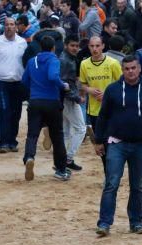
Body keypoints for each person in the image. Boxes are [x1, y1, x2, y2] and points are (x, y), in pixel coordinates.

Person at [94, 55, 142, 236]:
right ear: (122, 70)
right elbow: (102, 116)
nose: (130, 72)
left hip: (139, 145)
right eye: (127, 69)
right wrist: (98, 140)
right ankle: (104, 223)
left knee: (137, 186)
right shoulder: (112, 90)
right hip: (116, 144)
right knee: (111, 183)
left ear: (139, 68)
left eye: (133, 68)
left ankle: (136, 222)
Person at [21, 35, 72, 181]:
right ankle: (61, 170)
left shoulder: (32, 61)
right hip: (51, 101)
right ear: (53, 48)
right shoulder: (53, 60)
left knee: (32, 134)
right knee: (57, 136)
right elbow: (52, 76)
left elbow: (24, 81)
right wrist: (63, 85)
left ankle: (29, 157)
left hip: (35, 101)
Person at [0, 17, 28, 152]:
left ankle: (13, 141)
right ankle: (4, 142)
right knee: (3, 112)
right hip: (1, 82)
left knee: (16, 113)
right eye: (7, 25)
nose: (9, 27)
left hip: (18, 82)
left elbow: (26, 63)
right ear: (4, 27)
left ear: (16, 26)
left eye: (12, 24)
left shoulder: (22, 43)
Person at [79, 36, 122, 141]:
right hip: (93, 110)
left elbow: (122, 83)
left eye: (97, 46)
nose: (95, 49)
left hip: (112, 109)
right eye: (92, 46)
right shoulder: (84, 64)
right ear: (88, 47)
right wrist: (89, 90)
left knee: (112, 140)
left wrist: (107, 94)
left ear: (103, 46)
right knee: (100, 142)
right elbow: (82, 84)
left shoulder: (113, 63)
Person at [60, 34, 86, 172]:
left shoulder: (67, 58)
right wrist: (77, 98)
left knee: (66, 132)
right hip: (68, 99)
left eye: (77, 46)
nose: (75, 48)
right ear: (66, 45)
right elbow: (65, 85)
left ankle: (61, 160)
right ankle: (67, 159)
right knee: (81, 129)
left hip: (64, 99)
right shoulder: (66, 61)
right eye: (72, 46)